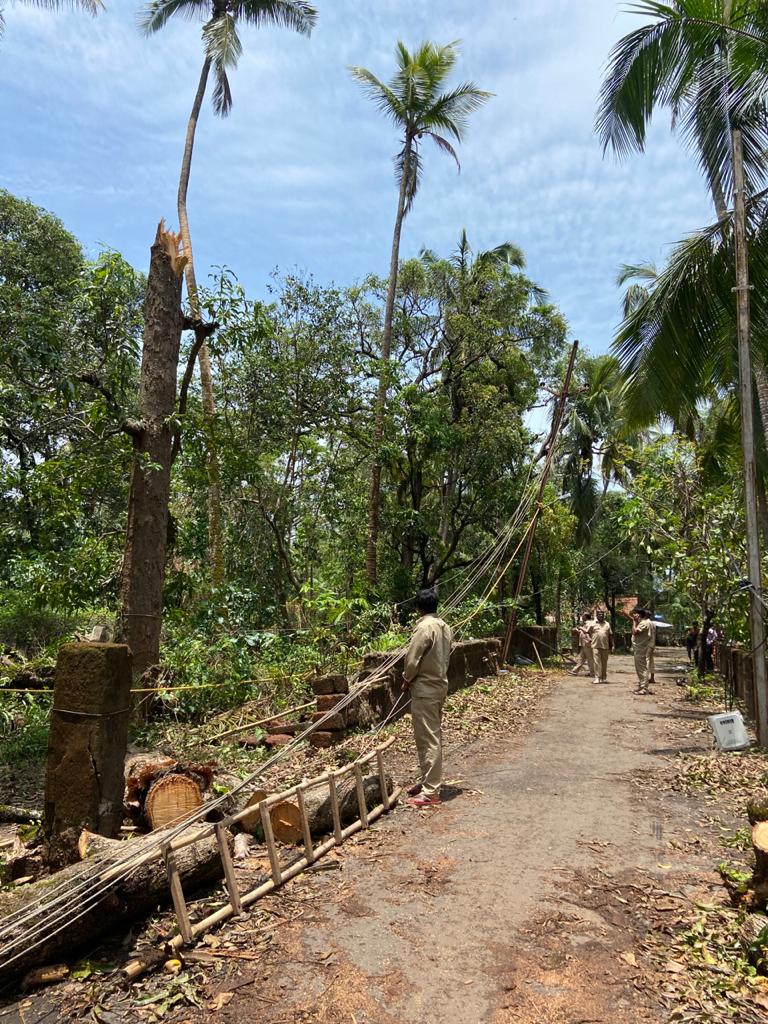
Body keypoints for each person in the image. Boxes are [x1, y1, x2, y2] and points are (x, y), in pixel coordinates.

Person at [402, 588, 453, 808]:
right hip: (439, 685)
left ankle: (431, 792)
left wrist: (406, 679)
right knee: (429, 736)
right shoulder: (445, 627)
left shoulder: (424, 628)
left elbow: (412, 660)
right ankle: (427, 782)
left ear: (418, 608)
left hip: (425, 689)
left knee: (428, 738)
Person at [631, 607, 654, 694]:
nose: (633, 615)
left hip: (641, 649)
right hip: (641, 648)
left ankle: (644, 688)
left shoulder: (643, 623)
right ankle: (641, 686)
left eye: (635, 613)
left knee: (641, 668)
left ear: (639, 614)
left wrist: (634, 622)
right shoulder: (645, 622)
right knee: (640, 668)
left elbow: (634, 632)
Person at [590, 608, 613, 683]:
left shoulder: (607, 624)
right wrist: (589, 639)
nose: (601, 615)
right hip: (595, 645)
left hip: (605, 646)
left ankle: (603, 677)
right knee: (596, 662)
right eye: (599, 614)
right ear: (596, 615)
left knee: (604, 663)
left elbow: (610, 635)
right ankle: (597, 677)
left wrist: (612, 645)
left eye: (602, 614)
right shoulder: (592, 623)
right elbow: (587, 632)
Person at [570, 612, 595, 677]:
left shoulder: (590, 623)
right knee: (581, 658)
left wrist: (580, 628)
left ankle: (593, 673)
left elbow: (587, 631)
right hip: (584, 644)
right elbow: (583, 633)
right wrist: (578, 631)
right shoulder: (585, 624)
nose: (582, 617)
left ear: (586, 617)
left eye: (583, 616)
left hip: (588, 643)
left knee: (590, 659)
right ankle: (574, 671)